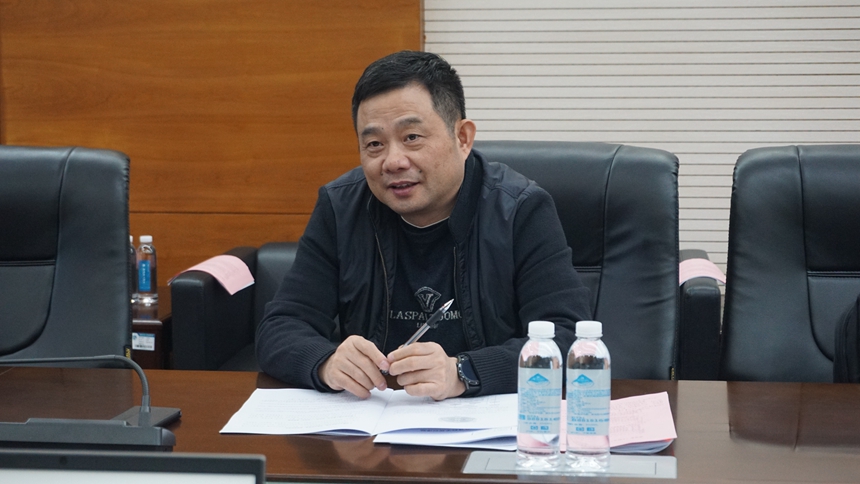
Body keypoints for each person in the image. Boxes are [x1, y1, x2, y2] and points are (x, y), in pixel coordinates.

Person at [256, 50, 591, 401]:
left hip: (483, 421)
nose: (393, 161)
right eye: (374, 144)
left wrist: (464, 372)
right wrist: (327, 362)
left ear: (463, 138)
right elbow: (280, 327)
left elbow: (569, 340)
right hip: (371, 422)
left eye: (412, 137)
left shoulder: (520, 209)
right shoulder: (341, 209)